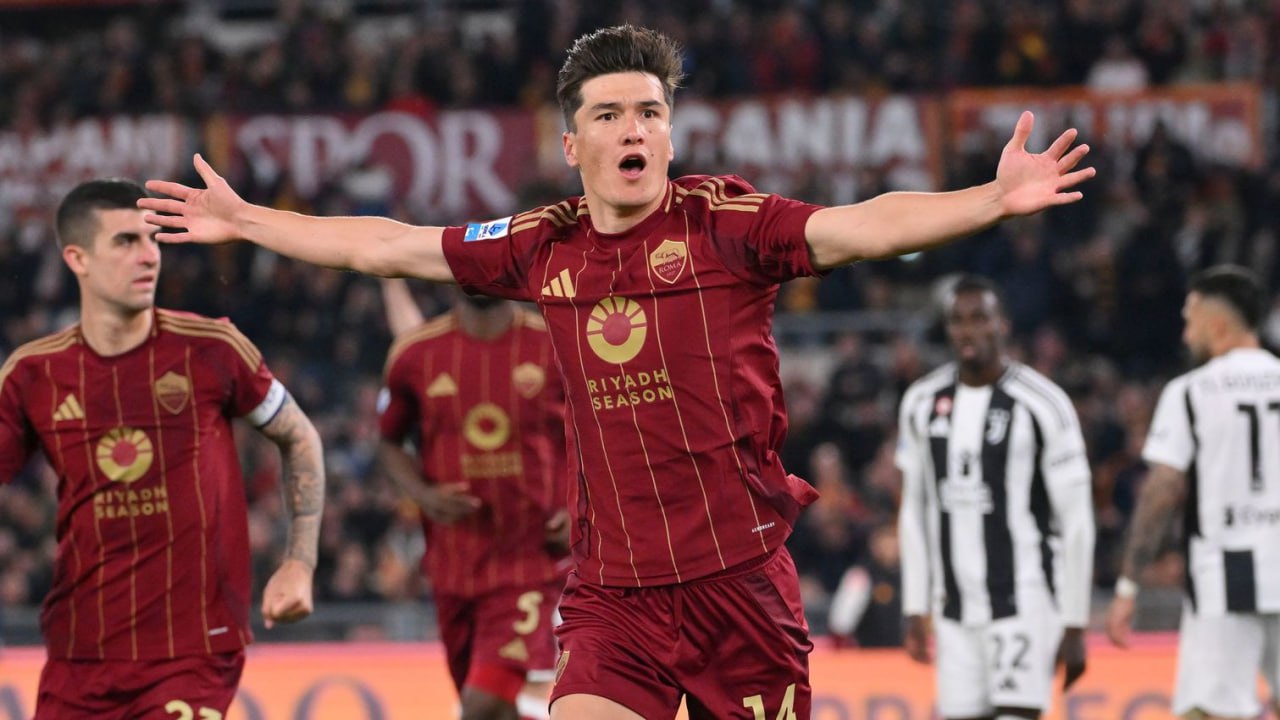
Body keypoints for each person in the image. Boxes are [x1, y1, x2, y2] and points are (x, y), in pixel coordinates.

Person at [139, 25, 1094, 720]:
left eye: (650, 112)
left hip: (740, 586)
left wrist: (989, 199)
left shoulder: (729, 226)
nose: (634, 128)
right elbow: (388, 245)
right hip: (614, 594)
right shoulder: (540, 245)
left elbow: (866, 225)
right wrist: (249, 220)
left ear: (669, 136)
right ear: (573, 145)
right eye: (609, 114)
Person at [0, 179, 325, 719]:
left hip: (193, 652)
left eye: (152, 239)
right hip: (79, 652)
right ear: (77, 259)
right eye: (126, 241)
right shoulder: (33, 374)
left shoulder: (212, 347)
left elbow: (299, 435)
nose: (149, 255)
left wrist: (299, 562)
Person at [896, 275, 1095, 720]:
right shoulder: (921, 401)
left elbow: (1077, 518)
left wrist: (1075, 620)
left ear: (1002, 324)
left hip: (1024, 600)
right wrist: (914, 606)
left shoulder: (1043, 403)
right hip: (953, 609)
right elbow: (914, 508)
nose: (968, 331)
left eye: (979, 319)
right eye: (958, 321)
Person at [378, 278, 569, 720]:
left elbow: (598, 433)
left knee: (481, 704)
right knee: (493, 707)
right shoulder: (416, 354)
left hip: (531, 562)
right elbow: (388, 442)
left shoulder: (554, 345)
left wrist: (580, 506)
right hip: (453, 565)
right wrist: (423, 495)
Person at [1106, 266, 1280, 720]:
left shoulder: (1191, 392)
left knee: (1209, 711)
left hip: (1227, 574)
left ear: (1217, 325)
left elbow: (1162, 491)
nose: (1185, 334)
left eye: (1190, 320)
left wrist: (1128, 584)